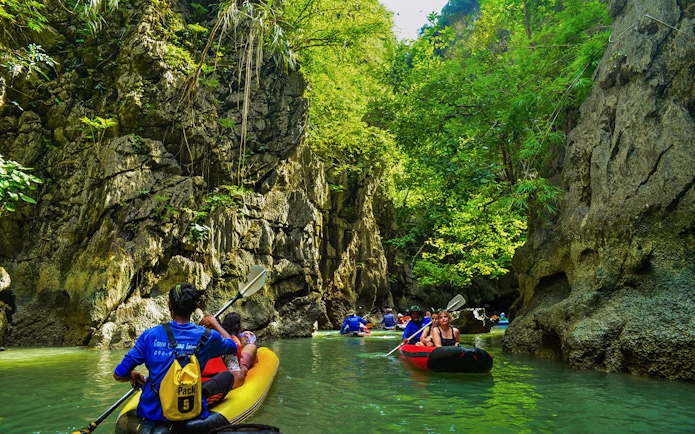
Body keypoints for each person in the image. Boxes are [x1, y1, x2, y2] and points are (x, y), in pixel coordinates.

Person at [113, 283, 238, 422]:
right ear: (195, 308)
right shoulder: (209, 337)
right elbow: (233, 346)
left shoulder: (150, 336)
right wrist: (214, 323)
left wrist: (132, 376)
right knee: (227, 377)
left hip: (152, 413)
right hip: (190, 410)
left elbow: (119, 374)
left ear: (169, 305)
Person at [201, 312, 258, 400]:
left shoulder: (190, 344)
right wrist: (243, 369)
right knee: (251, 348)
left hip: (204, 387)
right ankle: (245, 364)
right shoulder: (228, 345)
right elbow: (237, 379)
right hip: (213, 389)